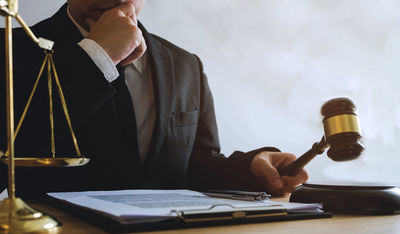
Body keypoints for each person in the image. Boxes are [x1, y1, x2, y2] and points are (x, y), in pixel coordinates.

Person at [0, 0, 308, 199]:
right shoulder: (11, 51)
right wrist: (97, 56)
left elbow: (194, 170)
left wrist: (250, 168)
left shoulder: (186, 65)